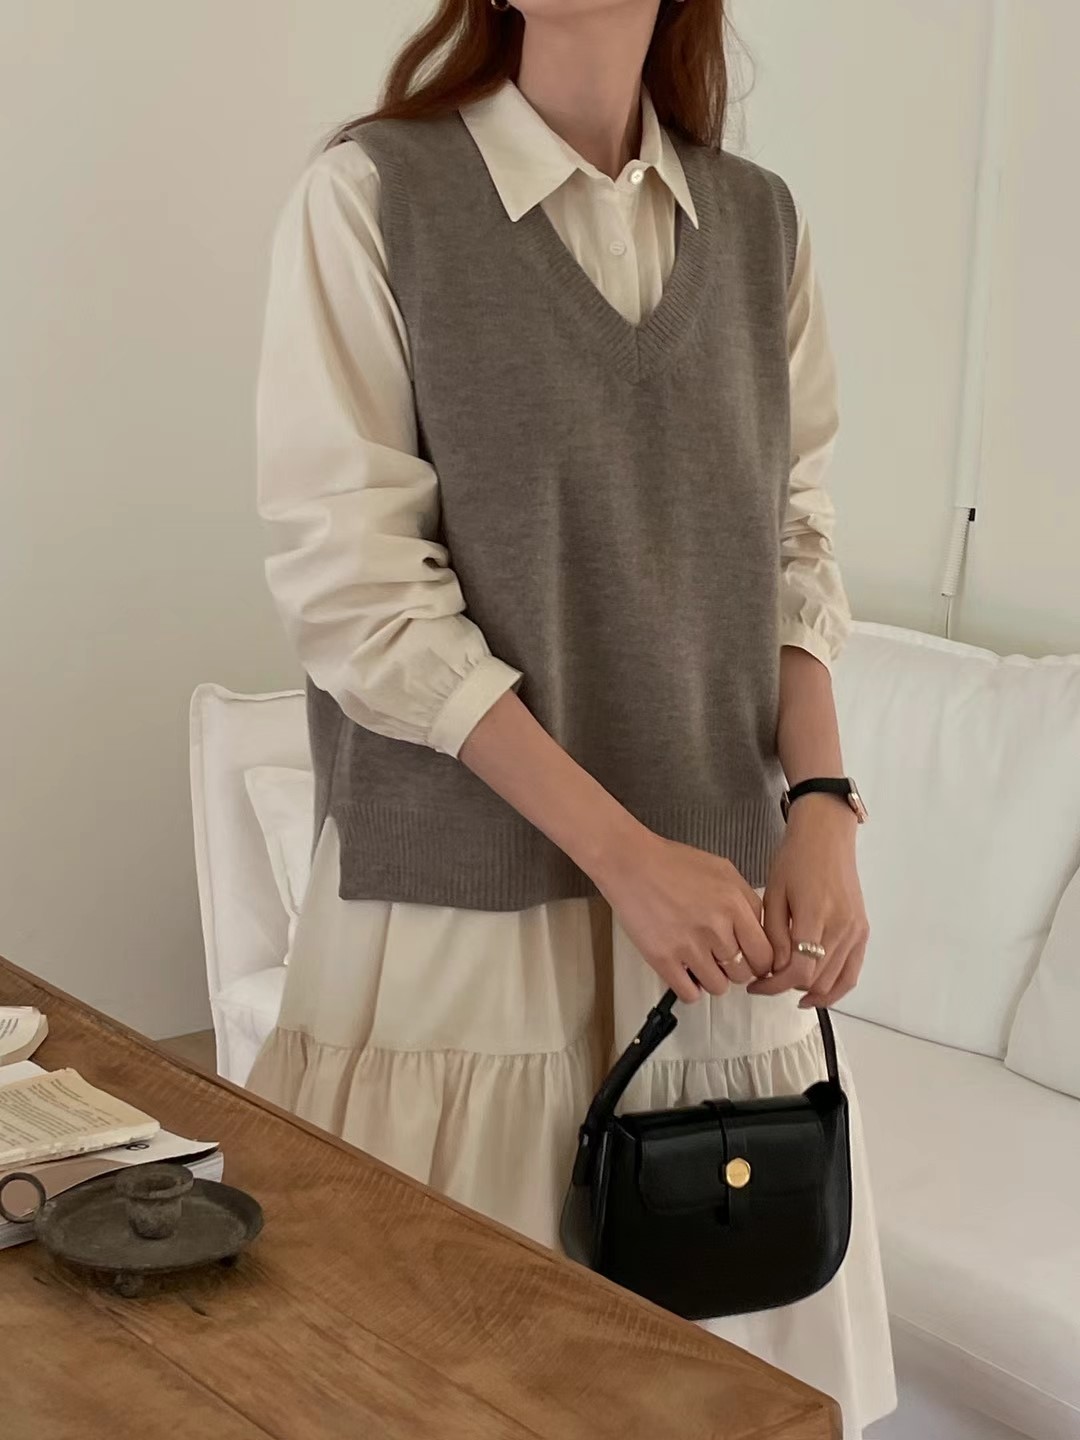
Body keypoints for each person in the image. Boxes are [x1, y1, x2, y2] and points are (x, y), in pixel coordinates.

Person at [250, 0, 896, 1431]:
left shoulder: (762, 227)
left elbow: (795, 544)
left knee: (716, 1386)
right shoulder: (371, 199)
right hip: (469, 914)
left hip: (718, 912)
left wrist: (822, 805)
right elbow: (359, 593)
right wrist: (623, 857)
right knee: (449, 1382)